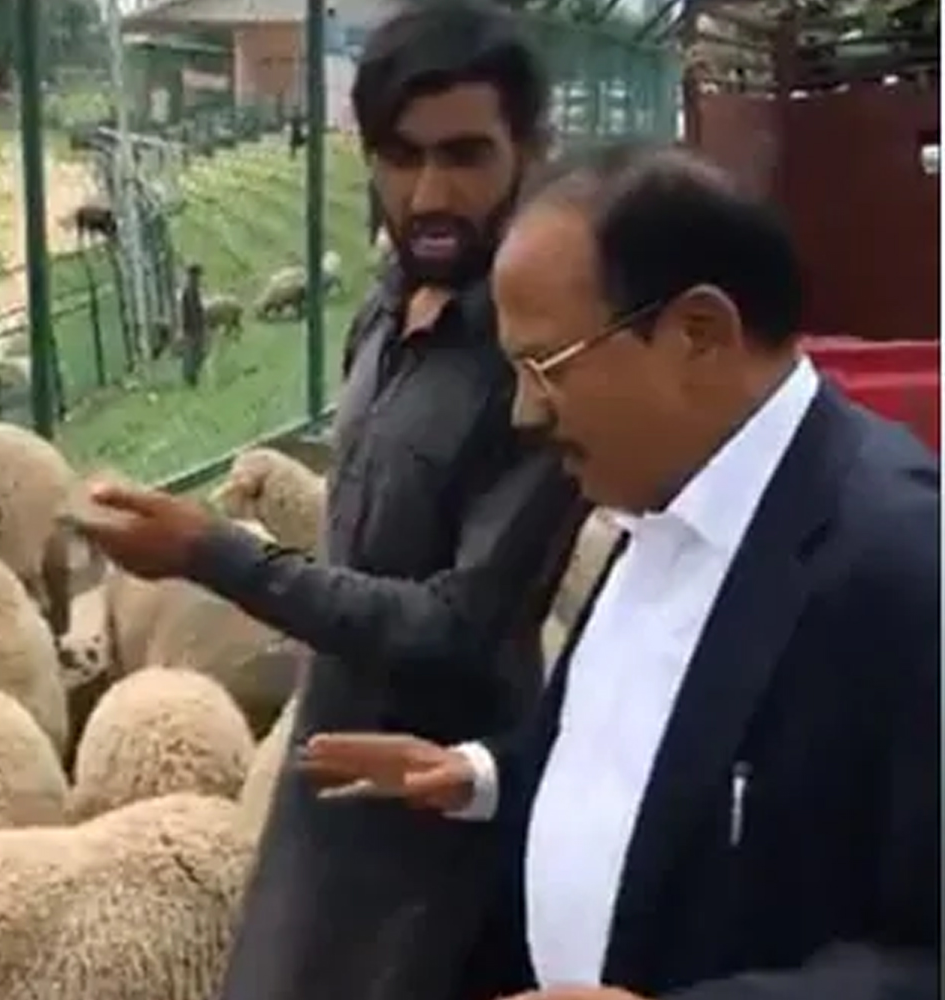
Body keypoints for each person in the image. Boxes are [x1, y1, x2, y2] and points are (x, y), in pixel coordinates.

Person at [297, 143, 941, 1000]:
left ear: (699, 335)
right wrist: (488, 775)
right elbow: (646, 755)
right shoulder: (655, 511)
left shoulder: (909, 570)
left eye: (545, 368)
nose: (524, 412)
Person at [71, 4, 585, 1000]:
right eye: (400, 156)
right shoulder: (385, 309)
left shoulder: (538, 359)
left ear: (528, 151)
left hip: (444, 810)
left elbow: (459, 626)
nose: (429, 193)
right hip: (323, 775)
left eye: (465, 156)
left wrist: (214, 554)